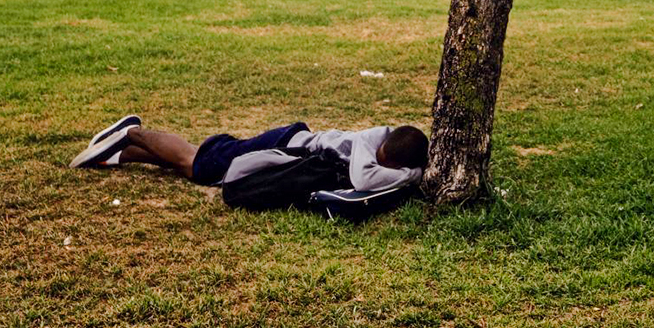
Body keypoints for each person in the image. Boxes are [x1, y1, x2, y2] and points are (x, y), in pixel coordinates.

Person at [68, 115, 427, 192]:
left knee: (199, 167)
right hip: (281, 146)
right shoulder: (369, 144)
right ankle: (130, 131)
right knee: (198, 161)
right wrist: (413, 176)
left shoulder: (384, 143)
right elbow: (364, 179)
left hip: (289, 142)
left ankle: (123, 154)